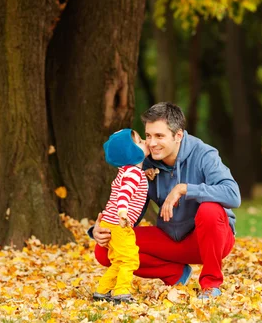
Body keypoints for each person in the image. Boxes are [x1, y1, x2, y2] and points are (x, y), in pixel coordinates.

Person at [90, 102, 240, 300]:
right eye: (149, 136)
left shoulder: (204, 154)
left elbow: (233, 194)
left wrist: (184, 189)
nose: (152, 143)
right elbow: (132, 211)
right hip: (170, 237)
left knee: (210, 209)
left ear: (178, 135)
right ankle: (175, 273)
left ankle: (211, 285)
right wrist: (101, 229)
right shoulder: (145, 162)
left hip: (210, 239)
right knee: (104, 249)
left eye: (159, 136)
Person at [92, 129, 150, 303]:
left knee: (118, 260)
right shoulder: (133, 173)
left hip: (111, 223)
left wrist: (147, 174)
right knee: (129, 259)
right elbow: (124, 194)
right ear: (132, 153)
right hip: (119, 223)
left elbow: (131, 185)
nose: (145, 142)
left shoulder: (130, 172)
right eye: (140, 141)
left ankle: (102, 290)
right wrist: (123, 212)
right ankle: (121, 292)